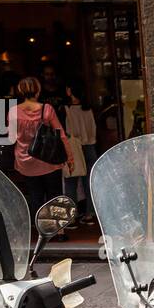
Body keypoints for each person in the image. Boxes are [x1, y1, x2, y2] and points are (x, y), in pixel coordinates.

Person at [8, 74, 74, 220]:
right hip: (49, 159)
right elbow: (60, 134)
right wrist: (69, 157)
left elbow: (11, 137)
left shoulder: (13, 111)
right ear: (38, 91)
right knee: (54, 194)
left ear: (21, 91)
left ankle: (41, 231)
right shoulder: (46, 109)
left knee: (35, 195)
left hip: (26, 162)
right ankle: (58, 230)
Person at [62, 77, 98, 223]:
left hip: (74, 147)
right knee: (88, 182)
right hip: (90, 147)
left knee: (71, 181)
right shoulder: (88, 108)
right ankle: (90, 214)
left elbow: (68, 131)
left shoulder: (67, 109)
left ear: (70, 91)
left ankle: (72, 216)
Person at [39, 59, 67, 128]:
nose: (50, 77)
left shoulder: (62, 91)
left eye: (52, 74)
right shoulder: (39, 92)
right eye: (47, 74)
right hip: (45, 129)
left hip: (62, 127)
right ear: (42, 75)